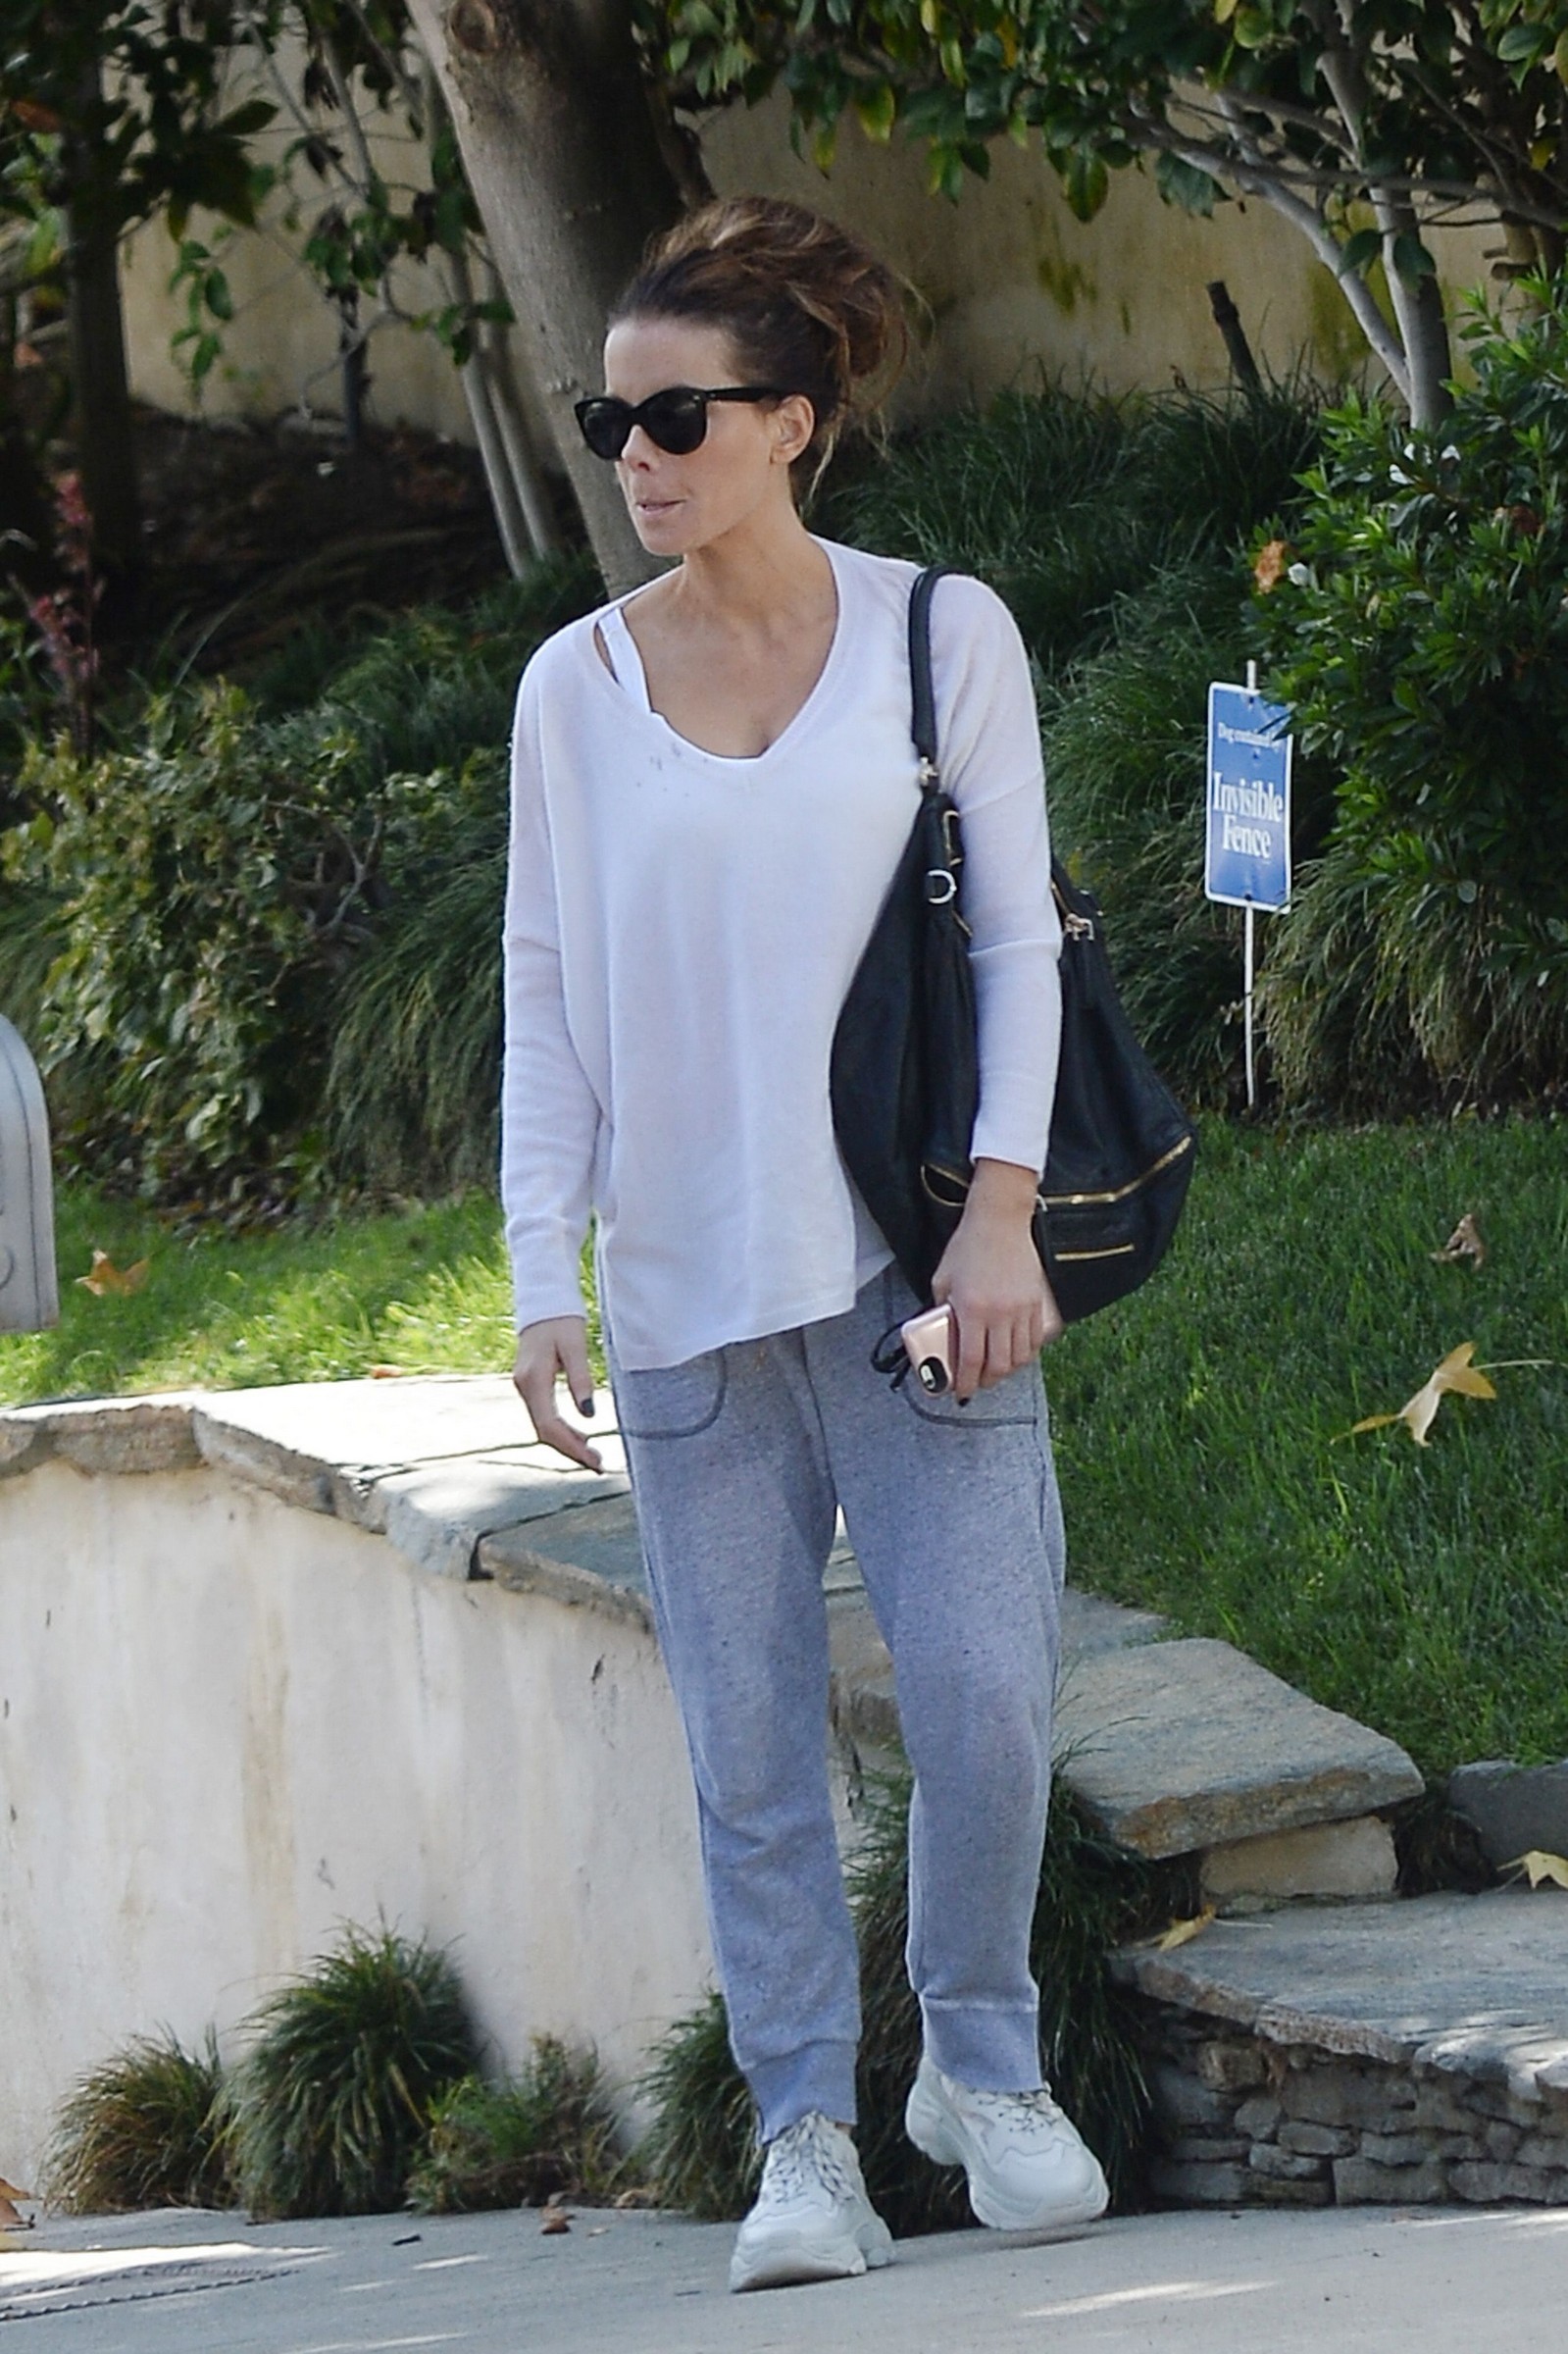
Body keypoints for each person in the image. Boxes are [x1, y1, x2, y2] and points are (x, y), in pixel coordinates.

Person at [502, 194, 1107, 2294]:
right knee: (748, 1749)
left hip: (910, 1276)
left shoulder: (943, 636)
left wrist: (1002, 1220)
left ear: (791, 419)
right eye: (610, 422)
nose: (636, 456)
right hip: (684, 1289)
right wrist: (542, 1270)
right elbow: (543, 986)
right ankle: (803, 2139)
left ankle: (977, 2061)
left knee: (985, 1699)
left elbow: (1019, 943)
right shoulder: (575, 687)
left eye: (676, 417)